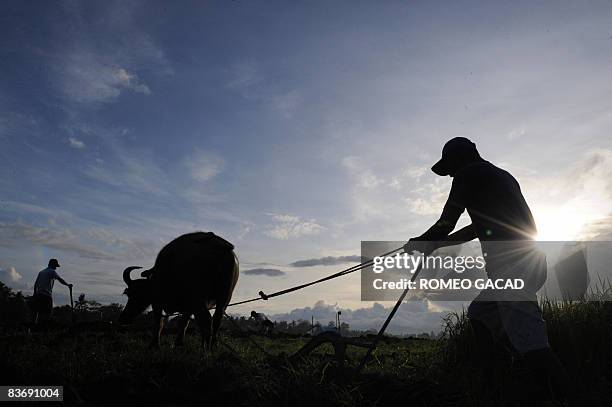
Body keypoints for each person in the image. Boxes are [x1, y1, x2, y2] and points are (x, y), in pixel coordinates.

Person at [404, 137, 572, 402]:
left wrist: (422, 242)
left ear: (461, 158)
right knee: (480, 314)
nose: (451, 175)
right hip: (529, 261)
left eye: (450, 168)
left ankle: (565, 397)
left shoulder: (467, 175)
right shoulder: (501, 176)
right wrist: (436, 245)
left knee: (532, 343)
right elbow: (477, 228)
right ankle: (494, 380)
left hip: (512, 268)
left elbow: (446, 221)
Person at [32, 259, 72, 324]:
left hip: (38, 295)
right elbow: (60, 279)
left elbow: (35, 284)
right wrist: (68, 285)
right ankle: (45, 327)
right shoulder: (52, 272)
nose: (56, 268)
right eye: (55, 266)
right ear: (52, 265)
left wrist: (34, 294)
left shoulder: (41, 272)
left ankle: (35, 326)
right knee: (48, 313)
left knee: (37, 312)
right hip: (46, 295)